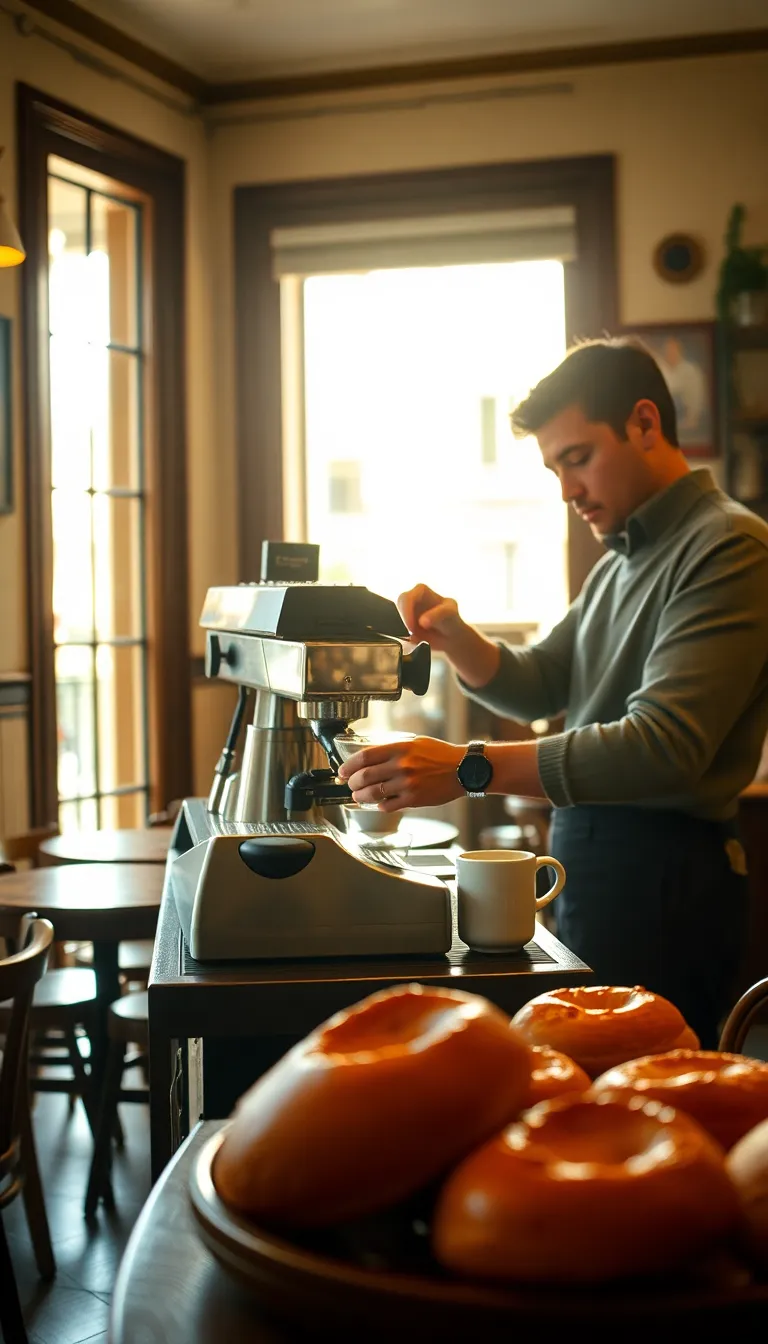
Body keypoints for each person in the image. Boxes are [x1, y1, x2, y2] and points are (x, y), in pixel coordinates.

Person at [338, 338, 768, 1047]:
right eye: (554, 468)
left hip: (665, 878)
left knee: (636, 1115)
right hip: (600, 864)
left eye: (577, 458)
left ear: (644, 423)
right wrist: (457, 637)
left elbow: (664, 748)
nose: (566, 490)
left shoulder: (729, 547)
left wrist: (466, 767)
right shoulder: (622, 562)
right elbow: (540, 681)